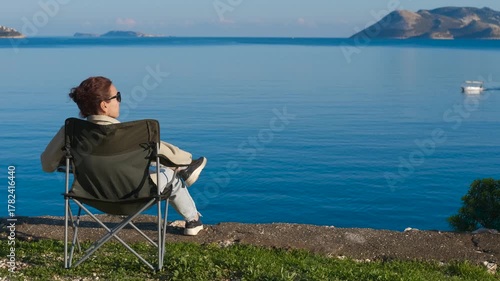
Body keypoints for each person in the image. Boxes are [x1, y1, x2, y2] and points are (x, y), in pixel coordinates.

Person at [41, 76, 207, 236]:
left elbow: (47, 165)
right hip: (136, 196)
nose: (119, 101)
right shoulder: (133, 134)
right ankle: (193, 220)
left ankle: (179, 170)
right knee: (171, 176)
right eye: (117, 97)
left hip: (92, 197)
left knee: (157, 166)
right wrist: (185, 161)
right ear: (104, 105)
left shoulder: (70, 132)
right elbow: (172, 154)